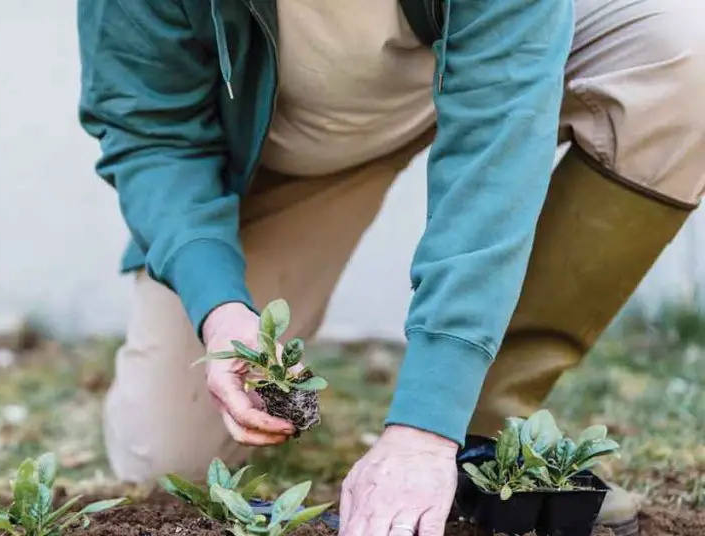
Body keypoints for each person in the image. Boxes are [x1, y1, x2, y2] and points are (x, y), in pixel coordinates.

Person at [76, 0, 704, 535]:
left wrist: (426, 426)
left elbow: (495, 151)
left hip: (485, 72)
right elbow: (150, 129)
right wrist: (219, 309)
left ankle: (478, 420)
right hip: (286, 150)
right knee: (166, 458)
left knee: (684, 65)